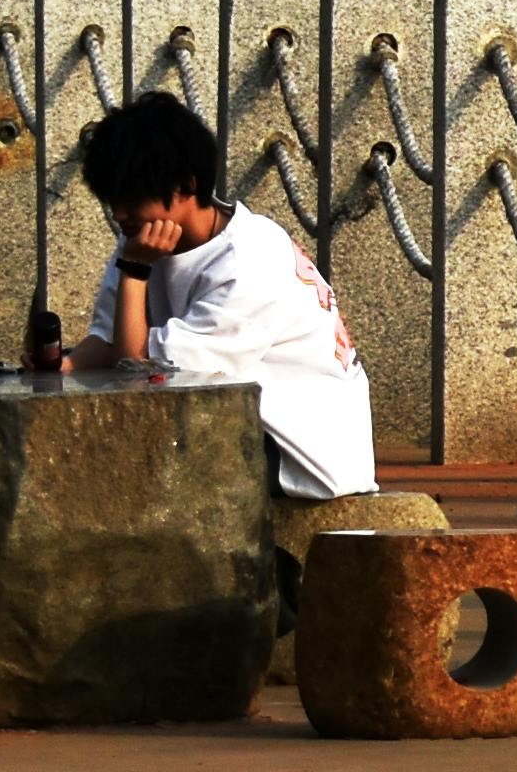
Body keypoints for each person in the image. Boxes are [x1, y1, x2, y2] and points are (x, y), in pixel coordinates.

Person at [63, 92, 380, 511]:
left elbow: (135, 369)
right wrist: (60, 365)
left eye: (131, 195)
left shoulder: (249, 258)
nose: (120, 213)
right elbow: (109, 342)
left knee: (120, 473)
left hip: (300, 453)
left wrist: (136, 271)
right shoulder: (140, 239)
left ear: (186, 187)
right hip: (232, 419)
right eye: (112, 198)